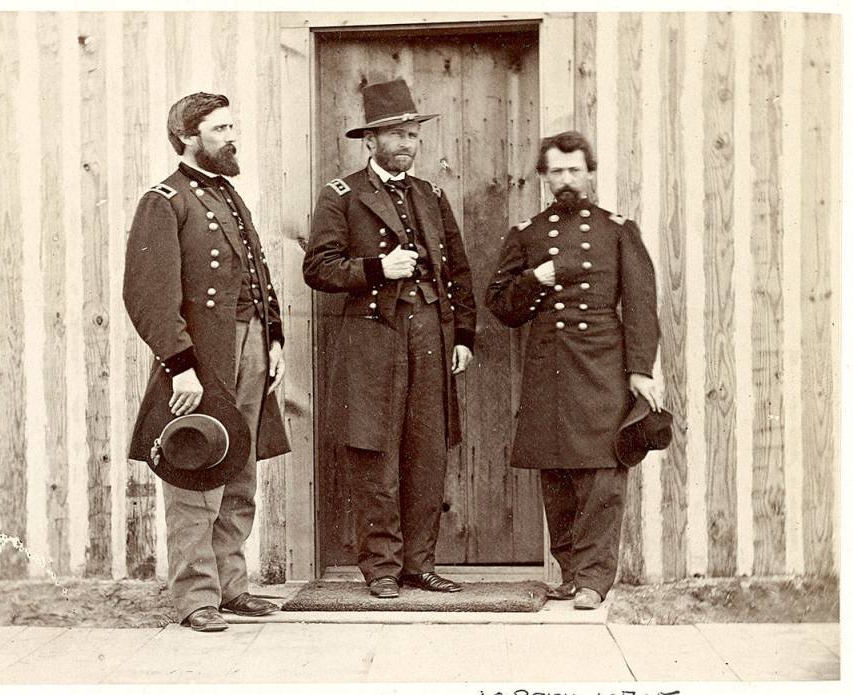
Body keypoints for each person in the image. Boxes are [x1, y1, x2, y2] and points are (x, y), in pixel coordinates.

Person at [303, 78, 477, 599]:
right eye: (396, 134)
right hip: (372, 340)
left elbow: (458, 271)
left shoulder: (431, 195)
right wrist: (379, 268)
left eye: (412, 134)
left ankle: (419, 564)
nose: (406, 143)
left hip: (430, 336)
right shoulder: (341, 195)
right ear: (370, 140)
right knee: (374, 452)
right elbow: (318, 268)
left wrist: (463, 336)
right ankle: (381, 568)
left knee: (427, 451)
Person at [123, 92, 290, 632]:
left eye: (231, 126)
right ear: (187, 137)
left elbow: (257, 275)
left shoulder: (229, 195)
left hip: (252, 347)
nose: (231, 137)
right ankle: (197, 597)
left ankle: (232, 588)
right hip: (203, 356)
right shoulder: (164, 201)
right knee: (196, 468)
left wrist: (274, 339)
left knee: (239, 468)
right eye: (220, 129)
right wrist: (181, 367)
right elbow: (148, 296)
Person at [485, 130, 662, 609]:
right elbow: (501, 305)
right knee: (557, 473)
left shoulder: (618, 230)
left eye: (574, 170)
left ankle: (594, 581)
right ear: (544, 177)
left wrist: (640, 369)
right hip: (549, 365)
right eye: (557, 171)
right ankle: (569, 573)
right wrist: (536, 277)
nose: (566, 179)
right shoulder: (526, 234)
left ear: (590, 173)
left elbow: (641, 305)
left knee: (604, 473)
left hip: (603, 363)